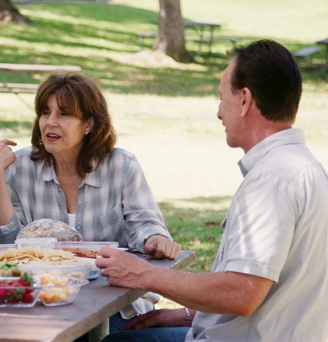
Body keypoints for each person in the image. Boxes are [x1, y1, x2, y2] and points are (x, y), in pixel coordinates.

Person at [97, 40, 328, 342]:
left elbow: (241, 293)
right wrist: (186, 314)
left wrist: (142, 273)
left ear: (245, 100)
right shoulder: (306, 168)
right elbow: (275, 290)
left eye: (222, 98)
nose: (219, 112)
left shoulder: (272, 179)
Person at [0, 71, 182, 332]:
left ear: (88, 124)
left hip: (115, 305)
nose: (50, 122)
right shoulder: (21, 167)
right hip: (44, 302)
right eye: (45, 112)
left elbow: (145, 225)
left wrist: (155, 239)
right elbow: (7, 248)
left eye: (63, 114)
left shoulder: (122, 165)